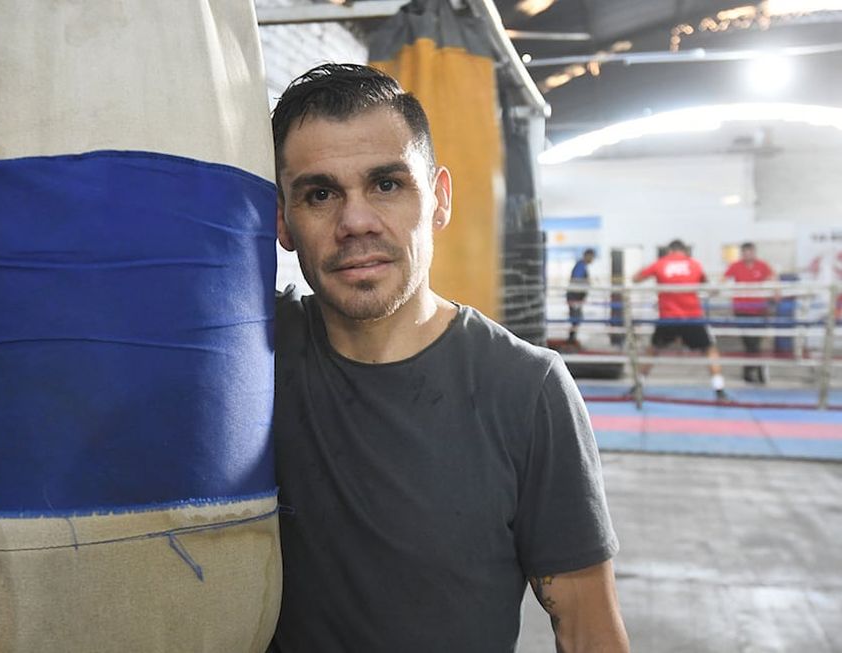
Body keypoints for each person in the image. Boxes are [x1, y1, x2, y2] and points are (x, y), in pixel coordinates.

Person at [269, 63, 628, 652]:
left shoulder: (525, 388)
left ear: (438, 199)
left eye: (387, 184)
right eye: (320, 193)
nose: (355, 222)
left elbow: (590, 633)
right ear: (283, 220)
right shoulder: (250, 354)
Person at [631, 239, 728, 402]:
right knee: (709, 350)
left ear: (669, 251)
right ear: (685, 251)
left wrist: (650, 265)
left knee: (652, 350)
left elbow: (635, 279)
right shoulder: (694, 264)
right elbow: (705, 283)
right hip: (692, 316)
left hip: (668, 317)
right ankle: (719, 389)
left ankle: (638, 385)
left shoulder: (660, 263)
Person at [723, 242, 774, 383]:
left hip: (759, 309)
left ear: (754, 252)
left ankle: (749, 371)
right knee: (749, 342)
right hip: (741, 309)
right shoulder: (735, 266)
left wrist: (775, 295)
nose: (748, 254)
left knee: (755, 342)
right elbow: (724, 279)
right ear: (742, 253)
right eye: (745, 252)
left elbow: (773, 281)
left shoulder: (762, 266)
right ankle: (757, 369)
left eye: (750, 252)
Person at [567, 248, 596, 343]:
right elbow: (577, 280)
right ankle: (571, 340)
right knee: (575, 319)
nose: (592, 259)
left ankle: (572, 339)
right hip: (574, 296)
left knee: (577, 319)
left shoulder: (582, 265)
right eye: (592, 257)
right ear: (587, 256)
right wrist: (587, 282)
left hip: (576, 297)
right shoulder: (580, 266)